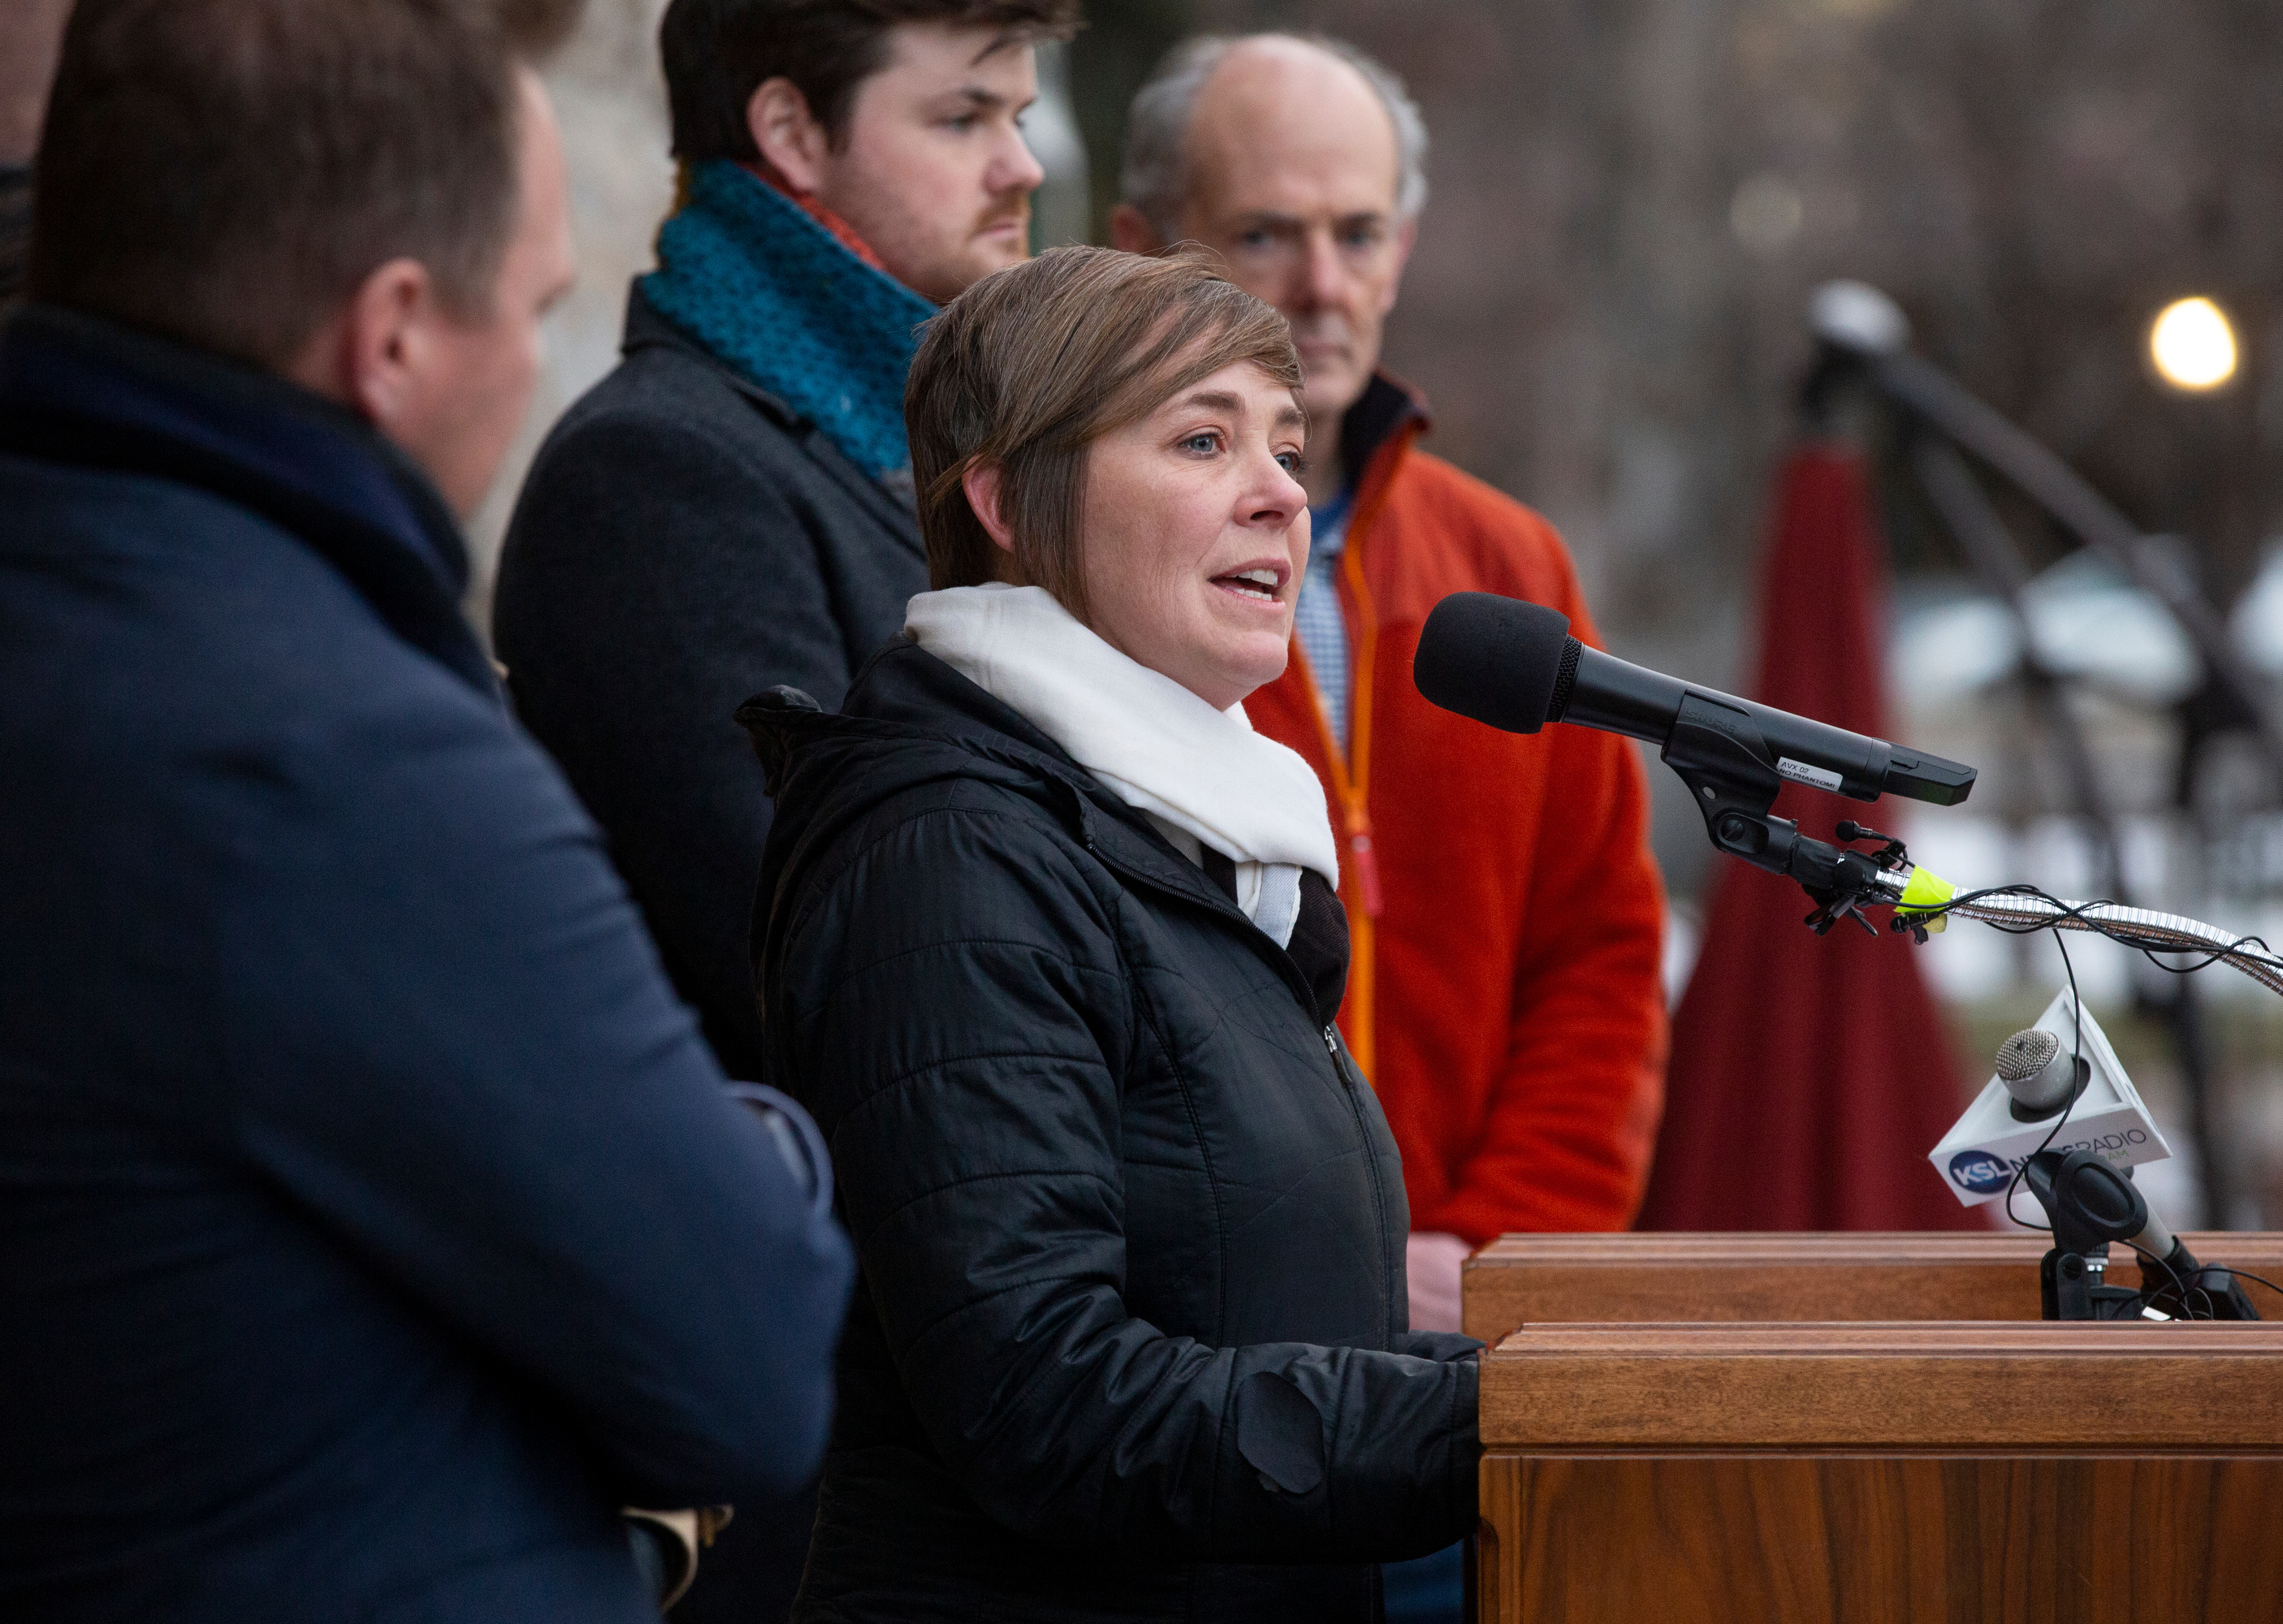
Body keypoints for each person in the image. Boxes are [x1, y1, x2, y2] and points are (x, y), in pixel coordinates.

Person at [0, 3, 855, 1620]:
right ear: (391, 333)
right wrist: (769, 1156)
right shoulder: (328, 755)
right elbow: (743, 1354)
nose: (539, 361)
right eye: (536, 307)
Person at [740, 244, 1480, 1622]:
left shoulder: (1185, 845)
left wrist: (1581, 1388)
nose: (1279, 494)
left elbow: (1266, 1322)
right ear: (1009, 497)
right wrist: (1497, 1433)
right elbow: (1048, 1396)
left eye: (1285, 445)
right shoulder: (952, 856)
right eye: (1203, 440)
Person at [1112, 33, 1671, 1312]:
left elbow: (1601, 955)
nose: (1320, 285)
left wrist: (1493, 1256)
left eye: (1360, 235)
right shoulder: (1085, 576)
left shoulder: (1509, 562)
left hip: (1483, 1333)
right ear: (1142, 247)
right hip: (1196, 1352)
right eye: (1264, 235)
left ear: (1403, 250)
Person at [494, 0, 1078, 1087]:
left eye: (1020, 117)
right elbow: (819, 959)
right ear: (793, 132)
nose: (1021, 167)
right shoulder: (659, 476)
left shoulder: (922, 450)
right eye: (964, 119)